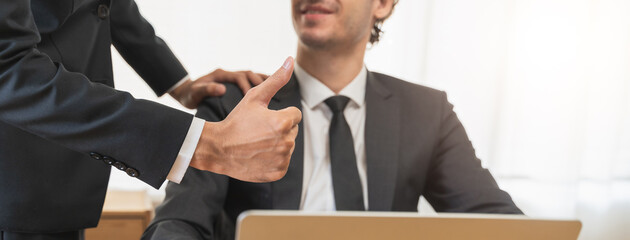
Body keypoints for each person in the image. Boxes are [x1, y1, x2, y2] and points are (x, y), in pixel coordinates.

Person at [143, 0, 523, 239]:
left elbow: (497, 224)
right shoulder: (234, 105)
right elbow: (179, 221)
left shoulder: (427, 112)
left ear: (384, 4)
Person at [0, 0, 301, 239]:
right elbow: (8, 71)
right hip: (16, 174)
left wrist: (179, 85)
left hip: (58, 179)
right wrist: (204, 143)